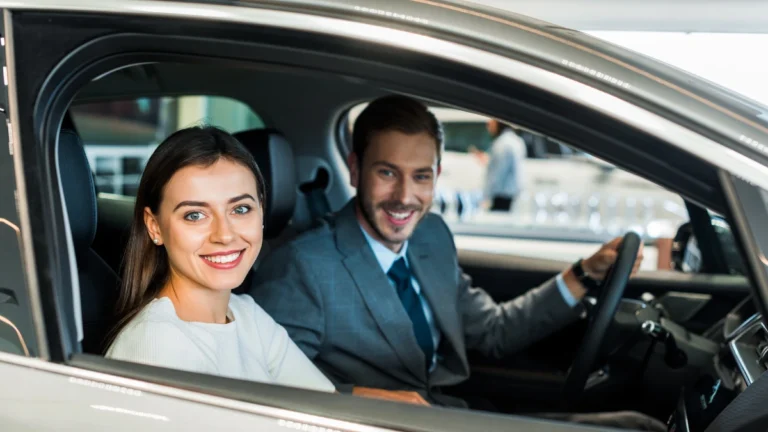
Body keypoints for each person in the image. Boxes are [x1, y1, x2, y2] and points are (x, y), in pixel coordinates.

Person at [250, 96, 664, 430]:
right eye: (387, 173)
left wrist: (583, 275)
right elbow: (263, 390)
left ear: (437, 174)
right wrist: (366, 398)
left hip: (455, 412)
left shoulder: (432, 236)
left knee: (639, 426)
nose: (405, 196)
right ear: (356, 170)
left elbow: (494, 330)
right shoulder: (301, 266)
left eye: (421, 176)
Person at [105, 126, 335, 393]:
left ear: (261, 211)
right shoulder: (154, 344)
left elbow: (326, 408)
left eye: (240, 209)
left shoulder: (246, 315)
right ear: (155, 227)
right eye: (194, 215)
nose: (224, 235)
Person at [481, 119, 527, 211]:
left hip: (500, 195)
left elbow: (498, 173)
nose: (488, 126)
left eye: (491, 123)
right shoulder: (516, 140)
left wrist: (487, 196)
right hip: (510, 193)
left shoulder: (503, 144)